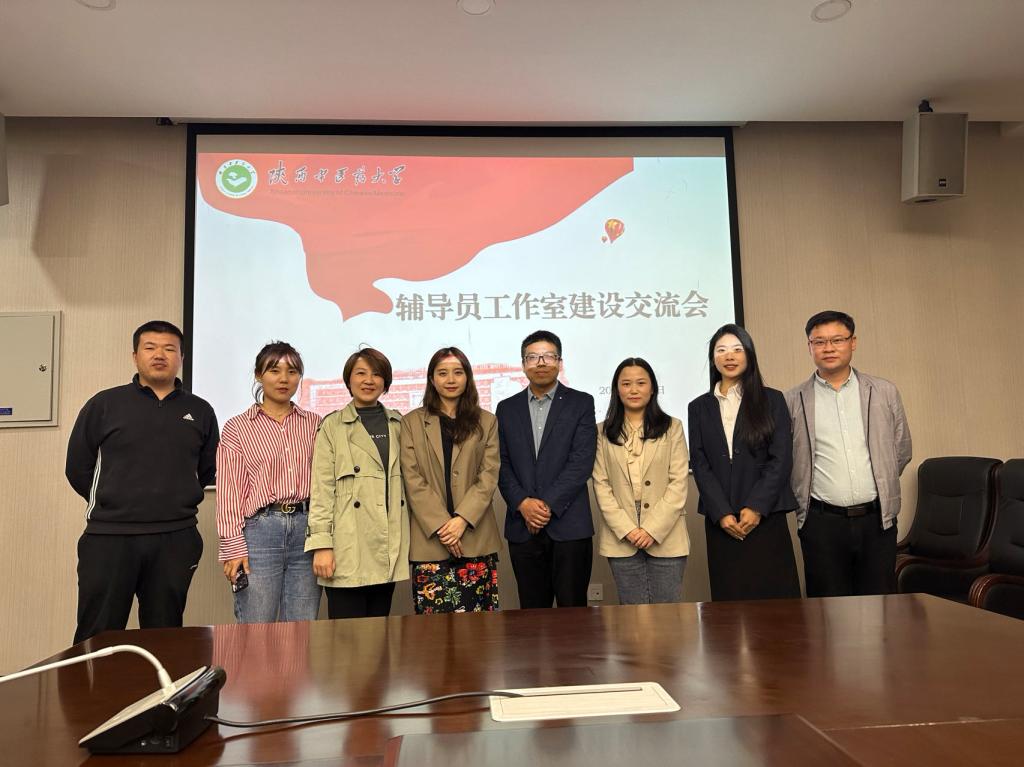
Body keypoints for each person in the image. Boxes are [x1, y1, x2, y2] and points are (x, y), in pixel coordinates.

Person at [65, 320, 219, 643]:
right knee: (98, 633)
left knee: (164, 634)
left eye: (169, 349)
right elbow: (77, 468)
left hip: (176, 538)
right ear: (135, 356)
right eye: (150, 348)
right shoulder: (104, 404)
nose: (159, 355)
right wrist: (112, 500)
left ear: (181, 358)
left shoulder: (200, 411)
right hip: (110, 538)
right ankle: (92, 682)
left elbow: (207, 470)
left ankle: (160, 682)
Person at [785, 310, 912, 597]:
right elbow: (789, 460)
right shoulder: (793, 399)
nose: (828, 348)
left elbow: (901, 449)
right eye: (819, 342)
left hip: (877, 520)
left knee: (880, 606)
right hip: (821, 522)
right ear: (809, 347)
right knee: (826, 609)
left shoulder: (883, 392)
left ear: (853, 342)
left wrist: (880, 482)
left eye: (837, 340)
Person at [688, 324, 801, 601]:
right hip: (722, 520)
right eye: (721, 350)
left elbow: (781, 458)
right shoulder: (698, 407)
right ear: (713, 358)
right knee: (730, 601)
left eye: (737, 349)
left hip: (766, 516)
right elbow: (700, 464)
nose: (729, 356)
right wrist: (721, 513)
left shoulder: (772, 399)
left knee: (775, 603)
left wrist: (756, 507)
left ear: (749, 355)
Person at [215, 342, 323, 623]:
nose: (284, 379)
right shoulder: (237, 427)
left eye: (292, 371)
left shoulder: (315, 424)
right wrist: (233, 547)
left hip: (308, 531)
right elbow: (229, 493)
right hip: (260, 533)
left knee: (301, 627)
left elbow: (326, 485)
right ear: (258, 375)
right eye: (274, 371)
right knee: (256, 626)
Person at [495, 330, 597, 608]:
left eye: (548, 356)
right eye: (533, 357)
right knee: (531, 614)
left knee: (573, 614)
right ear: (523, 364)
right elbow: (500, 463)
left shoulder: (581, 403)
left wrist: (545, 505)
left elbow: (581, 462)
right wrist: (523, 503)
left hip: (569, 526)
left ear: (559, 362)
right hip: (523, 526)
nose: (541, 362)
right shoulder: (506, 409)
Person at [305, 348, 408, 619]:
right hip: (347, 546)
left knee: (380, 633)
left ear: (385, 382)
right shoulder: (333, 426)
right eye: (361, 373)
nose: (368, 380)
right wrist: (322, 545)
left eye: (376, 374)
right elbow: (322, 490)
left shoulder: (399, 424)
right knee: (346, 636)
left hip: (386, 545)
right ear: (348, 379)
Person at [400, 347, 501, 613]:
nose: (451, 379)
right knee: (432, 631)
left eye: (458, 372)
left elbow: (488, 475)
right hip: (430, 541)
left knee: (479, 630)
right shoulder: (411, 422)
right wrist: (444, 526)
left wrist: (462, 520)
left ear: (468, 377)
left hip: (475, 538)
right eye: (442, 373)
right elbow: (412, 478)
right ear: (432, 379)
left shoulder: (487, 421)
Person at [592, 358, 690, 604]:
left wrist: (651, 529)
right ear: (616, 389)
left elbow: (678, 482)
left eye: (641, 383)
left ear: (652, 388)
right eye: (626, 384)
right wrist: (627, 529)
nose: (633, 390)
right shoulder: (601, 431)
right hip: (621, 534)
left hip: (666, 531)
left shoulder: (672, 427)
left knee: (667, 612)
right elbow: (601, 484)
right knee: (631, 612)